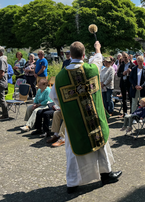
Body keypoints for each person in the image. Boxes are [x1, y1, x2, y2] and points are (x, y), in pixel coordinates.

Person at [49, 40, 122, 193]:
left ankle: (73, 183)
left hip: (74, 122)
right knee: (101, 144)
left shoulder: (61, 77)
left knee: (73, 152)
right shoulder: (91, 70)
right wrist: (97, 48)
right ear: (83, 55)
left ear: (70, 55)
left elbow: (55, 98)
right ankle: (106, 175)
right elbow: (98, 60)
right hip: (92, 119)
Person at [117, 52, 134, 117]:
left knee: (130, 98)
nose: (125, 59)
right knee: (124, 98)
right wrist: (122, 73)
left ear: (128, 57)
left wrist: (131, 72)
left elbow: (134, 75)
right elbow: (118, 74)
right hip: (123, 82)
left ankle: (131, 112)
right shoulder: (122, 65)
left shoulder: (132, 65)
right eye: (124, 57)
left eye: (126, 57)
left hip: (129, 83)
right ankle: (124, 112)